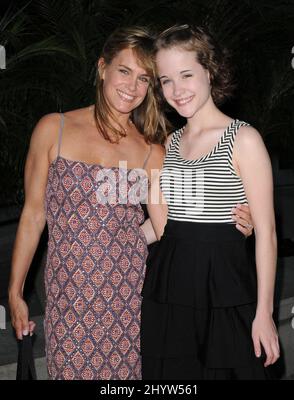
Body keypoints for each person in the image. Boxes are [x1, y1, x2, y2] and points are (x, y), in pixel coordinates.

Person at [8, 25, 254, 380]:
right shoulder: (54, 129)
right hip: (68, 295)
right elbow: (33, 215)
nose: (132, 86)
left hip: (133, 294)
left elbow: (167, 226)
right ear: (102, 67)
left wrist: (232, 224)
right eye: (124, 71)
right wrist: (16, 291)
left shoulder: (151, 149)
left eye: (144, 78)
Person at [141, 24, 280, 380]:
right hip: (168, 286)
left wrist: (264, 313)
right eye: (166, 80)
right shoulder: (169, 143)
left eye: (186, 74)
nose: (176, 89)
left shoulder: (243, 138)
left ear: (210, 71)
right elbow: (163, 226)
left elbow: (266, 233)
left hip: (224, 287)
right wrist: (99, 243)